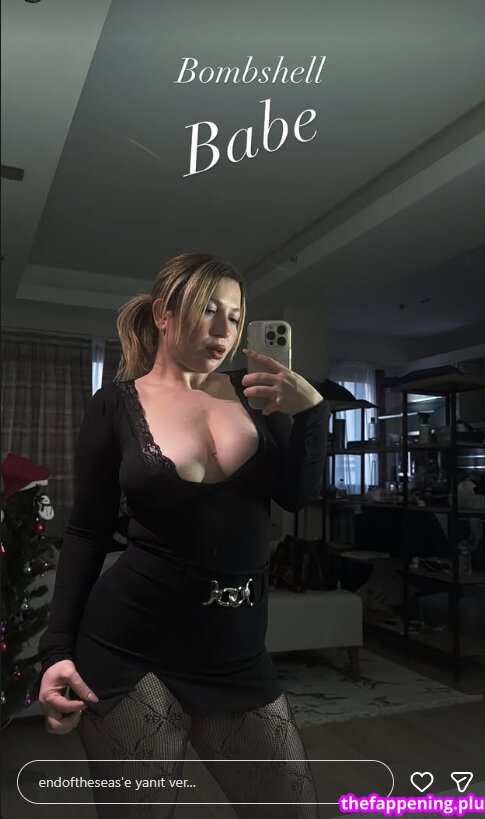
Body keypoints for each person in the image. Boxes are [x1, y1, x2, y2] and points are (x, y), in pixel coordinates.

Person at [37, 252, 331, 818]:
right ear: (163, 315)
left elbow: (296, 496)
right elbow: (87, 531)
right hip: (128, 649)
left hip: (236, 653)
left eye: (236, 317)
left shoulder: (257, 393)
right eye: (208, 311)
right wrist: (56, 652)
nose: (224, 330)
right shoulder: (114, 405)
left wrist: (312, 413)